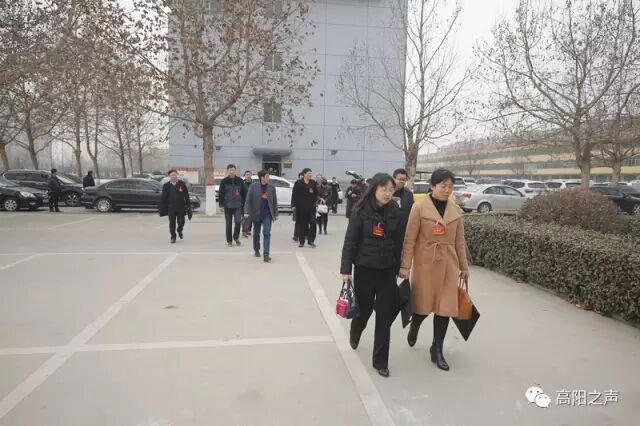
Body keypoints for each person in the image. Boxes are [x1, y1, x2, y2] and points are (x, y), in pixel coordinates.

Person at [399, 169, 470, 371]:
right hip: (425, 265)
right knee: (422, 307)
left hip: (449, 265)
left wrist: (464, 267)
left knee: (445, 309)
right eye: (443, 186)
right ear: (432, 186)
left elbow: (460, 241)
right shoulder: (419, 208)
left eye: (450, 187)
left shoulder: (455, 210)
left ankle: (436, 349)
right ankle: (415, 325)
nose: (447, 190)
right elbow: (410, 239)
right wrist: (405, 266)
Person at [340, 173, 404, 378]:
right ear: (374, 189)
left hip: (387, 271)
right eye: (384, 189)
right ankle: (356, 331)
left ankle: (380, 361)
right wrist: (345, 270)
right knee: (365, 310)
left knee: (384, 315)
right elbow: (350, 241)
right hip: (365, 269)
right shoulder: (360, 210)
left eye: (391, 190)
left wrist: (401, 267)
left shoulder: (396, 211)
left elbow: (399, 242)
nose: (387, 193)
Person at [244, 170, 278, 263]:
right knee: (256, 233)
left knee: (267, 233)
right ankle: (256, 249)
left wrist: (275, 214)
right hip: (256, 213)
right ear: (262, 178)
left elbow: (274, 201)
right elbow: (248, 200)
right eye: (267, 176)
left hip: (267, 214)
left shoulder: (271, 188)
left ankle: (266, 254)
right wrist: (246, 212)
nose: (268, 178)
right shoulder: (253, 186)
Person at [159, 169, 192, 244]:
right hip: (171, 207)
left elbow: (186, 196)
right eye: (172, 175)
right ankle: (173, 237)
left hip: (181, 207)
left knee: (181, 222)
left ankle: (179, 230)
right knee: (172, 223)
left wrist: (188, 206)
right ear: (169, 176)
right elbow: (163, 197)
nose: (173, 176)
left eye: (174, 175)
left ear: (177, 175)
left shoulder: (182, 184)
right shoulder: (166, 185)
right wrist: (161, 207)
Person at [218, 164, 247, 247]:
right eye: (230, 170)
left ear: (235, 171)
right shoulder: (224, 181)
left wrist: (245, 204)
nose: (232, 171)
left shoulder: (240, 180)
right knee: (228, 224)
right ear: (228, 171)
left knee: (238, 221)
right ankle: (229, 240)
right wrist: (221, 205)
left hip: (238, 205)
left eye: (233, 170)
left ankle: (236, 237)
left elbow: (244, 193)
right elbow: (221, 194)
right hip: (227, 206)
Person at [291, 168, 318, 248]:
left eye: (311, 173)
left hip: (311, 207)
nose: (310, 175)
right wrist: (293, 205)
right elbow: (294, 194)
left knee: (313, 223)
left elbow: (316, 193)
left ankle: (311, 241)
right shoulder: (298, 183)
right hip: (301, 207)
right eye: (309, 173)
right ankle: (301, 241)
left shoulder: (313, 182)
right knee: (302, 224)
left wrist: (314, 200)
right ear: (304, 174)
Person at [392, 168, 414, 244]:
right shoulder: (387, 193)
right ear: (393, 179)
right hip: (388, 232)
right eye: (400, 179)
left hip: (403, 233)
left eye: (404, 180)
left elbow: (412, 212)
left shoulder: (409, 195)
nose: (402, 181)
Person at [292, 172, 304, 242]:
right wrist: (293, 205)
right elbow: (293, 195)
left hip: (305, 205)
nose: (302, 178)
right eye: (301, 177)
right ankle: (296, 236)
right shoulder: (296, 184)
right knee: (298, 221)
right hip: (297, 205)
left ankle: (305, 235)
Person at [242, 170, 254, 238]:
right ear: (245, 175)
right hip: (244, 202)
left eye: (249, 174)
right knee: (245, 217)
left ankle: (248, 230)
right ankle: (244, 231)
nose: (248, 176)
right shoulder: (242, 183)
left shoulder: (254, 184)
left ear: (251, 175)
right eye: (247, 174)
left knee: (250, 218)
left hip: (252, 203)